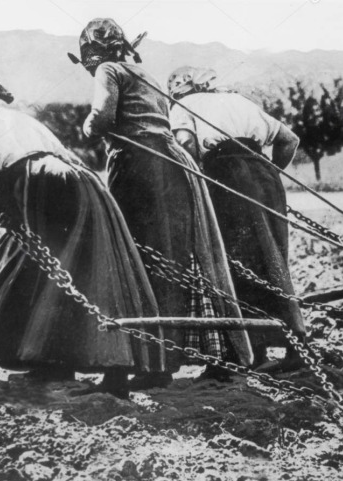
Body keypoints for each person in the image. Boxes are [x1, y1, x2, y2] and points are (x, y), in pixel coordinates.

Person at [0, 68, 169, 397]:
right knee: (92, 270)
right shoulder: (18, 119)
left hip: (37, 178)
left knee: (27, 268)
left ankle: (49, 361)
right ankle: (110, 370)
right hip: (85, 181)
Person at [69, 19, 253, 381]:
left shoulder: (109, 70)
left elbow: (102, 117)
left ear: (94, 53)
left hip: (139, 168)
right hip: (172, 166)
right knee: (178, 258)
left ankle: (154, 365)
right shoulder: (146, 73)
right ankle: (193, 356)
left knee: (135, 259)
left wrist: (88, 128)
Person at [167, 67, 306, 371]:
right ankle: (298, 346)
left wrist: (200, 180)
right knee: (274, 260)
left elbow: (186, 145)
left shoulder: (181, 107)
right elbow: (289, 140)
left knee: (237, 263)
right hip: (266, 178)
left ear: (177, 90)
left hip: (225, 177)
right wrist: (266, 172)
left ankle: (255, 352)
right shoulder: (239, 101)